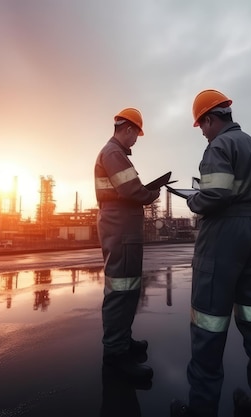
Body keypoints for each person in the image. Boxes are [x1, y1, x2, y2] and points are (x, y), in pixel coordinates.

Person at [170, 90, 251, 417]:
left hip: (222, 235)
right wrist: (245, 204)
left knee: (208, 322)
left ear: (210, 119)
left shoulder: (219, 146)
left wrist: (193, 201)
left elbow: (215, 192)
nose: (202, 131)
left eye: (201, 125)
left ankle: (202, 408)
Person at [94, 107, 160, 380]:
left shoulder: (116, 154)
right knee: (120, 290)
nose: (136, 141)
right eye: (136, 135)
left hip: (124, 228)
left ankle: (122, 340)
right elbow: (132, 189)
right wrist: (151, 193)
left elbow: (128, 188)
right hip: (120, 228)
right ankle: (115, 355)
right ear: (129, 129)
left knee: (128, 287)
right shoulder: (113, 153)